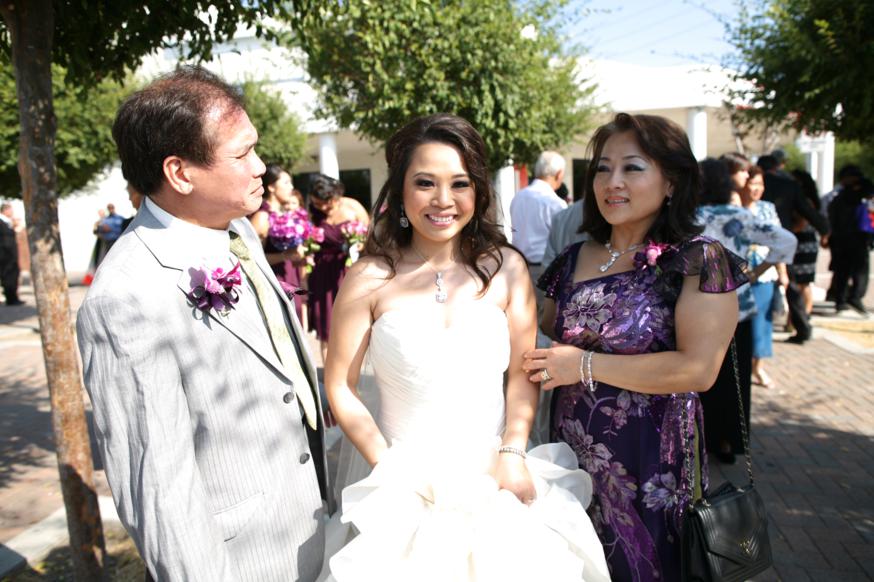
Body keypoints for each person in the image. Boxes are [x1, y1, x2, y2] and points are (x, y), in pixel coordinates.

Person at [322, 113, 609, 581]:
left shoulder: (507, 269)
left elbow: (522, 372)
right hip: (400, 482)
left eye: (459, 184)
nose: (443, 200)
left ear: (477, 191)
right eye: (425, 183)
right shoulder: (369, 277)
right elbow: (340, 385)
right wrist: (388, 468)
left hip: (495, 476)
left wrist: (513, 453)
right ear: (400, 191)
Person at [76, 66, 330, 582]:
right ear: (180, 172)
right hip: (242, 564)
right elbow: (159, 488)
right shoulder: (125, 297)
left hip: (307, 528)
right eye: (242, 154)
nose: (261, 167)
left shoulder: (237, 230)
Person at [521, 114, 746, 580]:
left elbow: (698, 369)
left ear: (672, 181)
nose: (612, 182)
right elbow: (538, 324)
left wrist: (583, 364)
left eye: (632, 168)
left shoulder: (698, 258)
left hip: (650, 456)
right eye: (603, 169)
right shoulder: (572, 259)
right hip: (570, 453)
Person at [697, 158, 796, 464]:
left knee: (699, 378)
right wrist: (754, 273)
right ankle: (728, 442)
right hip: (736, 306)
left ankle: (699, 440)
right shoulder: (739, 215)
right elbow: (786, 242)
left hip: (696, 310)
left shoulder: (689, 217)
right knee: (735, 379)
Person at [758, 154, 829, 344]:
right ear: (776, 168)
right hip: (782, 240)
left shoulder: (750, 183)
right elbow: (807, 211)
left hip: (755, 244)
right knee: (792, 286)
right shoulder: (789, 185)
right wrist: (825, 230)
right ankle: (803, 327)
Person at [306, 174, 369, 362]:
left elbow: (370, 234)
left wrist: (361, 245)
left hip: (348, 269)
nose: (323, 208)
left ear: (335, 195)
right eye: (317, 204)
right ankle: (328, 372)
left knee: (349, 321)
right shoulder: (313, 212)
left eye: (326, 203)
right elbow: (307, 238)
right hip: (322, 271)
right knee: (325, 323)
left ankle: (349, 368)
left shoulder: (353, 206)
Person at [739, 164, 786, 388]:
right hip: (737, 272)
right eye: (753, 183)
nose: (757, 188)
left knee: (762, 322)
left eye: (761, 184)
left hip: (764, 270)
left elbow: (780, 241)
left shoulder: (768, 208)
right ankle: (741, 367)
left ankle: (758, 367)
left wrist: (782, 272)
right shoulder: (733, 207)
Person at [250, 164, 308, 322]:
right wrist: (284, 256)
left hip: (291, 275)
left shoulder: (288, 215)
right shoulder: (262, 217)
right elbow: (251, 260)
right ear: (271, 187)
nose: (291, 187)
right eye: (286, 183)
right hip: (274, 281)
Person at [510, 151, 568, 290]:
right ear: (559, 174)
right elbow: (563, 243)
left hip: (517, 268)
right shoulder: (556, 203)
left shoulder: (518, 197)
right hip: (544, 271)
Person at [827, 177, 873, 315]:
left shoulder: (838, 199)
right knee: (861, 272)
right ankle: (855, 297)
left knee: (842, 271)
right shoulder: (861, 202)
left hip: (840, 240)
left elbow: (831, 218)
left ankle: (840, 300)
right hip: (858, 240)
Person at [789, 169, 822, 314]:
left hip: (803, 243)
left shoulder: (805, 201)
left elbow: (801, 224)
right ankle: (798, 317)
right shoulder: (805, 200)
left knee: (802, 282)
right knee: (800, 283)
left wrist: (786, 234)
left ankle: (804, 315)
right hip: (803, 242)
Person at [0, 202, 22, 306]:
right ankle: (11, 298)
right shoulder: (2, 222)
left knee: (13, 276)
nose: (12, 212)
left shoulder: (8, 222)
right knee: (8, 276)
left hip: (11, 255)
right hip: (5, 255)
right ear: (5, 211)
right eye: (10, 210)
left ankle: (13, 297)